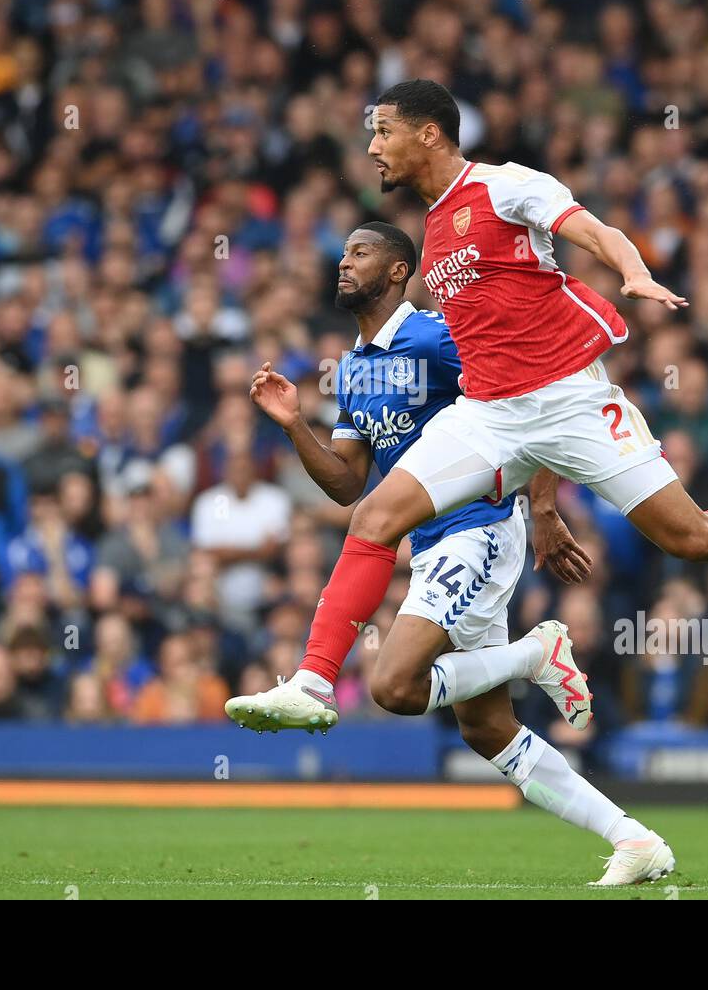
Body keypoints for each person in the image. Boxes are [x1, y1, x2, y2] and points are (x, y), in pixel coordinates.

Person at [240, 79, 708, 762]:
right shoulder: (432, 238)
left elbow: (594, 230)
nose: (372, 148)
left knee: (690, 537)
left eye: (383, 131)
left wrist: (632, 271)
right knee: (373, 520)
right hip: (489, 414)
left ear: (428, 133)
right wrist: (541, 506)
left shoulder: (504, 185)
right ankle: (313, 684)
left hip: (571, 399)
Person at [226, 221, 673, 886]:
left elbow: (533, 400)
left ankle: (534, 654)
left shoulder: (435, 337)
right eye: (343, 252)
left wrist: (545, 507)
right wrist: (296, 426)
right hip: (434, 542)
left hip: (480, 527)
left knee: (393, 686)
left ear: (400, 271)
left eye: (360, 252)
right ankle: (634, 839)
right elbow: (350, 483)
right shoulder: (355, 367)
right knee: (486, 729)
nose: (343, 263)